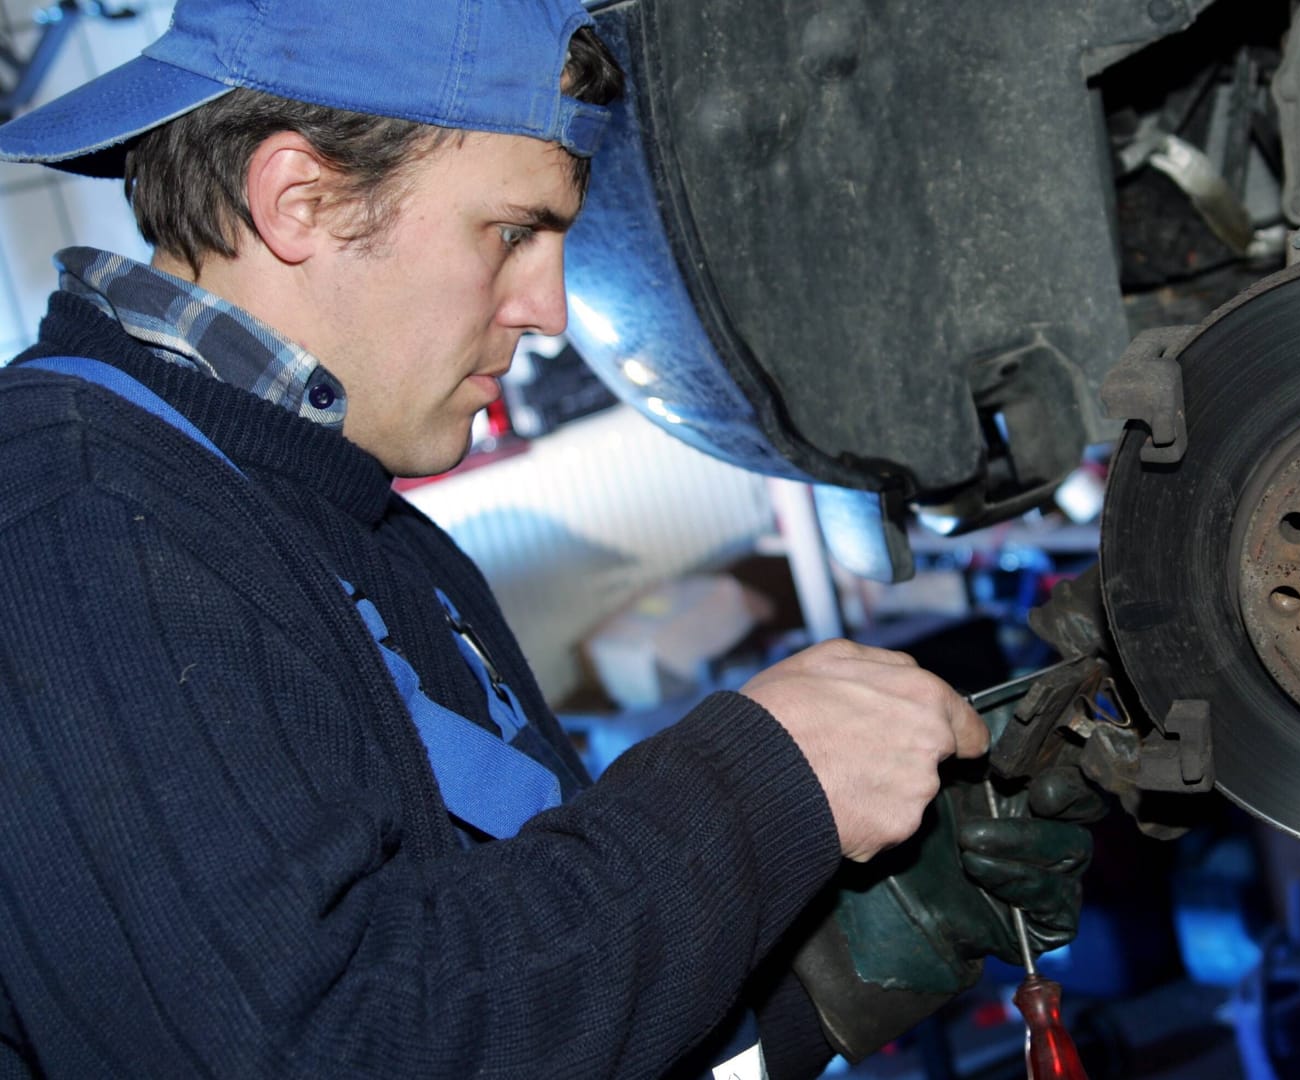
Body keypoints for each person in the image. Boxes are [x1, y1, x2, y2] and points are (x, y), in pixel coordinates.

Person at [0, 2, 1091, 1077]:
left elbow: (521, 1008)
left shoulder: (362, 528)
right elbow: (327, 1049)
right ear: (303, 200)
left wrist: (841, 952)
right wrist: (760, 784)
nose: (549, 308)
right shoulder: (75, 523)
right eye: (513, 232)